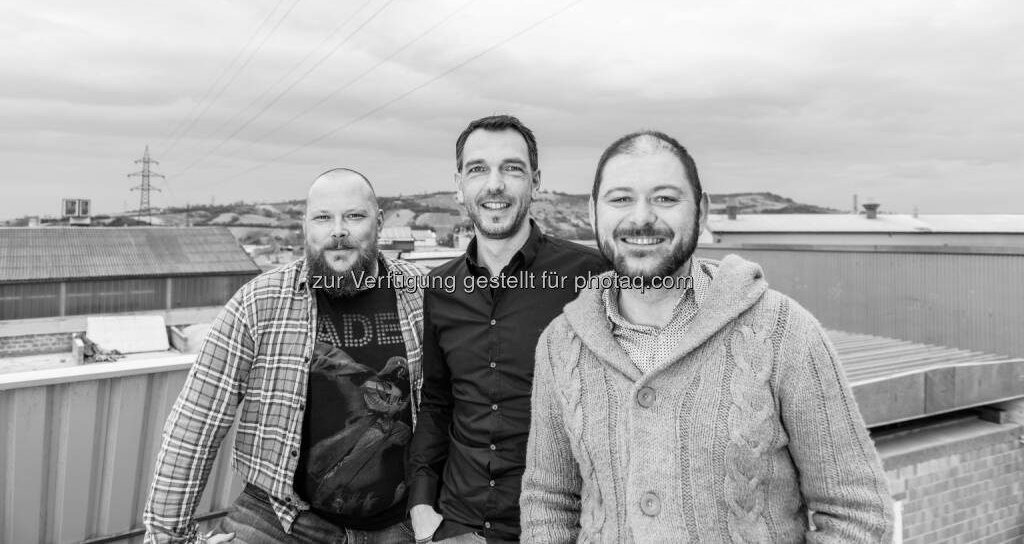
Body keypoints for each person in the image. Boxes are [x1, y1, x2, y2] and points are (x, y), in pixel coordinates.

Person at [520, 131, 895, 543]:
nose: (642, 218)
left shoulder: (785, 331)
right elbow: (549, 501)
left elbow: (856, 513)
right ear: (593, 213)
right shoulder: (560, 344)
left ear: (702, 210)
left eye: (665, 198)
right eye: (621, 199)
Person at [144, 169, 427, 544]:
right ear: (304, 226)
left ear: (379, 222)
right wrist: (169, 538)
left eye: (354, 216)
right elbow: (196, 423)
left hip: (399, 522)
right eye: (323, 217)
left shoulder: (424, 295)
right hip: (279, 518)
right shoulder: (259, 303)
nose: (338, 230)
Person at [408, 115, 608, 543]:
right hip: (456, 526)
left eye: (511, 168)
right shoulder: (440, 287)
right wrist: (423, 506)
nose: (494, 184)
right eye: (478, 169)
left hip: (555, 529)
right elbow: (438, 402)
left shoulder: (591, 277)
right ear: (459, 183)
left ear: (535, 181)